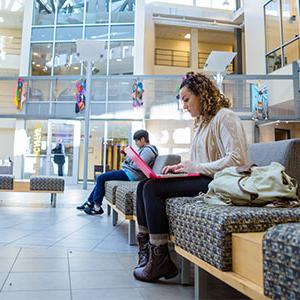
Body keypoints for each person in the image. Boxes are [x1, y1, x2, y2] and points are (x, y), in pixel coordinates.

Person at [133, 72, 248, 282]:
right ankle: (147, 253)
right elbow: (199, 161)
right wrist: (182, 167)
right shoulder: (201, 123)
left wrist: (195, 166)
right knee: (143, 186)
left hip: (219, 182)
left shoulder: (225, 116)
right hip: (205, 178)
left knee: (151, 189)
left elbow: (237, 159)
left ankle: (160, 259)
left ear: (202, 95)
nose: (184, 105)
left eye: (186, 99)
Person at [77, 129, 158, 215]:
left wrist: (131, 159)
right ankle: (90, 203)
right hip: (129, 172)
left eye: (137, 141)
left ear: (142, 139)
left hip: (132, 175)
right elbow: (135, 162)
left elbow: (138, 166)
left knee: (101, 177)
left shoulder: (148, 150)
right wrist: (129, 156)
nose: (136, 143)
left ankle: (96, 207)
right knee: (102, 179)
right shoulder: (143, 149)